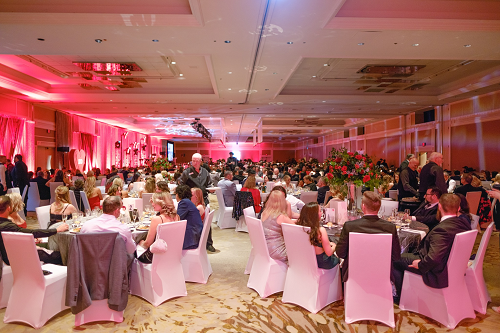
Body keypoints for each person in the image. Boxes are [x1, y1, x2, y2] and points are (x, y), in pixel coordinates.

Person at [392, 193, 471, 300]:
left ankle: (400, 297)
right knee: (408, 252)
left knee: (395, 259)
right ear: (458, 208)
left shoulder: (442, 229)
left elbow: (434, 258)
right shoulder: (463, 223)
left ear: (439, 206)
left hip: (436, 271)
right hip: (451, 265)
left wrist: (421, 265)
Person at [336, 191, 401, 284]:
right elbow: (396, 256)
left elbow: (340, 253)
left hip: (354, 274)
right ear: (379, 208)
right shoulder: (390, 227)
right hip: (382, 274)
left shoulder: (350, 226)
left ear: (363, 206)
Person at [0, 195, 68, 265]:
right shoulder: (8, 226)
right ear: (9, 208)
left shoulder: (7, 224)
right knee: (62, 256)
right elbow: (32, 232)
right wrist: (57, 230)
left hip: (10, 255)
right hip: (16, 257)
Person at [137, 192, 180, 263]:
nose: (152, 204)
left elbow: (147, 244)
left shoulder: (157, 219)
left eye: (154, 202)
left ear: (161, 203)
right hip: (172, 254)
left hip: (155, 256)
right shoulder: (177, 217)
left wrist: (140, 243)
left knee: (132, 250)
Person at [296, 202, 339, 269]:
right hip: (322, 263)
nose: (321, 213)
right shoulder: (320, 231)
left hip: (306, 262)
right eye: (319, 211)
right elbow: (329, 253)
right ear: (314, 215)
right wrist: (334, 246)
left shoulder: (300, 228)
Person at [260, 190, 294, 264]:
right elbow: (296, 230)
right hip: (278, 251)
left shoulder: (264, 213)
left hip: (265, 248)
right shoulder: (280, 216)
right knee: (302, 249)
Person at [174, 185, 204, 250]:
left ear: (178, 194)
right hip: (195, 235)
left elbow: (177, 219)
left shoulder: (184, 202)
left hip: (190, 238)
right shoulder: (188, 202)